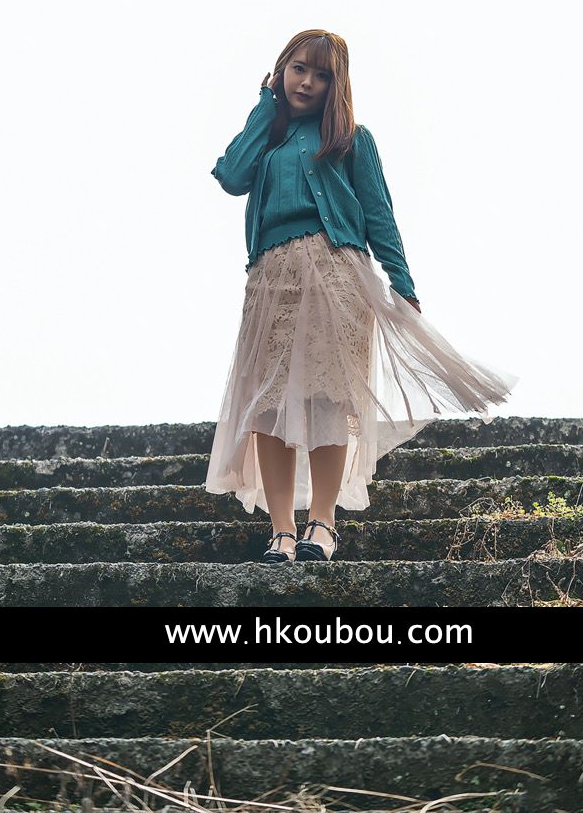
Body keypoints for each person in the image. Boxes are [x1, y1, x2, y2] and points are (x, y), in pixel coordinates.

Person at [205, 29, 520, 564]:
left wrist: (403, 285)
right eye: (298, 69)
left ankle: (322, 523)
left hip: (337, 275)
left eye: (321, 74)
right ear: (280, 71)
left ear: (337, 85)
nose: (307, 82)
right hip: (271, 280)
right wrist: (265, 105)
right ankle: (281, 532)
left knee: (329, 397)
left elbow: (379, 216)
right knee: (267, 404)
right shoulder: (266, 139)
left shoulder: (352, 138)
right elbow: (231, 176)